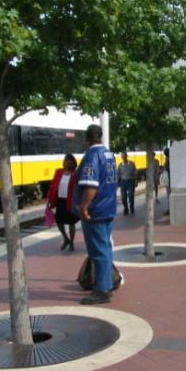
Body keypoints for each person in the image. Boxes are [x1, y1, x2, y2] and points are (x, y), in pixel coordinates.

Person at [73, 124, 117, 305]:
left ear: (87, 138)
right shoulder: (109, 154)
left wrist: (84, 207)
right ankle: (106, 282)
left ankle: (102, 290)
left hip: (95, 211)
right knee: (105, 247)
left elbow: (91, 185)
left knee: (98, 251)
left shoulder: (91, 156)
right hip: (108, 208)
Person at [46, 154, 80, 251]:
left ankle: (72, 243)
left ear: (73, 163)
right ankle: (66, 238)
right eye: (66, 160)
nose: (67, 162)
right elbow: (53, 186)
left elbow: (78, 188)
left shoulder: (76, 174)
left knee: (71, 222)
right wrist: (49, 198)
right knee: (59, 221)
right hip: (60, 201)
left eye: (69, 161)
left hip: (70, 201)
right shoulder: (59, 172)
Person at [117, 151, 136, 215]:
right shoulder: (120, 165)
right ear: (121, 157)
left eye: (125, 156)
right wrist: (118, 182)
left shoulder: (132, 164)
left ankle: (131, 207)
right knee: (123, 197)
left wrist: (135, 180)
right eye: (122, 156)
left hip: (131, 181)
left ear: (127, 156)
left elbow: (135, 172)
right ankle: (126, 208)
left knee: (131, 195)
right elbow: (118, 175)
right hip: (123, 182)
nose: (123, 157)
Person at [163, 147, 170, 215]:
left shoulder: (168, 160)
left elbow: (167, 168)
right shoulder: (168, 159)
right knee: (169, 195)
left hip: (169, 180)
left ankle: (170, 209)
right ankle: (169, 208)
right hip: (169, 180)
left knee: (169, 195)